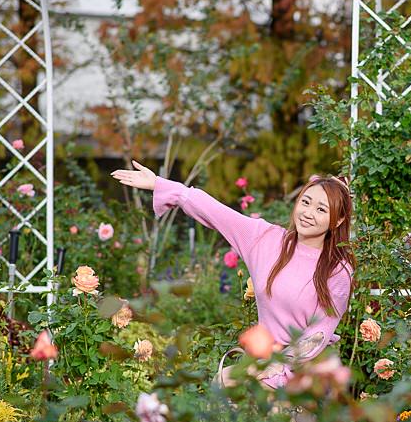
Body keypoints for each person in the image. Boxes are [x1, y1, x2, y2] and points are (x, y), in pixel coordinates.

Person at [110, 162, 355, 389]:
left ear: (338, 219)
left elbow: (317, 336)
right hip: (261, 364)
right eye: (305, 202)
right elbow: (217, 213)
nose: (308, 213)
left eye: (321, 209)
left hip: (304, 374)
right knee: (224, 388)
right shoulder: (266, 240)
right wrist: (162, 185)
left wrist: (273, 366)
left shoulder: (337, 270)